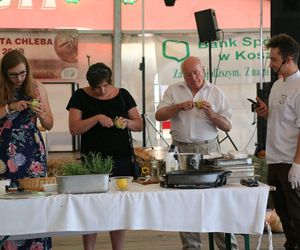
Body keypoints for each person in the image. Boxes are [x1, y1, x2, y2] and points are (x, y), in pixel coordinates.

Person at [155, 56, 238, 250]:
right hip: (180, 150)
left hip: (208, 149)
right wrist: (177, 107)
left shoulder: (216, 92)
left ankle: (227, 246)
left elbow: (228, 126)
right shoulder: (174, 90)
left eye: (196, 72)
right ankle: (191, 247)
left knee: (216, 200)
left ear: (204, 71)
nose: (193, 77)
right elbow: (159, 115)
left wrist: (212, 114)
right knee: (185, 200)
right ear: (182, 75)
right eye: (188, 74)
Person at [66, 62, 143, 250]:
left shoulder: (123, 95)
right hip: (93, 161)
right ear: (89, 85)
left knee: (117, 207)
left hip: (121, 159)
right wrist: (96, 118)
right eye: (96, 87)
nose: (101, 91)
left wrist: (126, 122)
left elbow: (139, 125)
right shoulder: (80, 96)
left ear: (110, 81)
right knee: (90, 206)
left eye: (105, 86)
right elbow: (74, 128)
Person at [0, 50, 54, 249]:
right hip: (4, 150)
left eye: (22, 73)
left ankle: (36, 243)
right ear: (5, 73)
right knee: (5, 198)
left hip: (32, 150)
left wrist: (42, 114)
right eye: (13, 75)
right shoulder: (1, 88)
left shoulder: (37, 88)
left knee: (34, 195)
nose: (19, 78)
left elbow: (49, 124)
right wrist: (10, 107)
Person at [256, 33, 300, 250]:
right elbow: (279, 118)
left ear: (289, 59)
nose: (271, 64)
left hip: (291, 161)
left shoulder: (299, 86)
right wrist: (266, 113)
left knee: (297, 214)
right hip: (274, 159)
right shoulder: (276, 85)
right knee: (283, 213)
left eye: (274, 59)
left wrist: (298, 165)